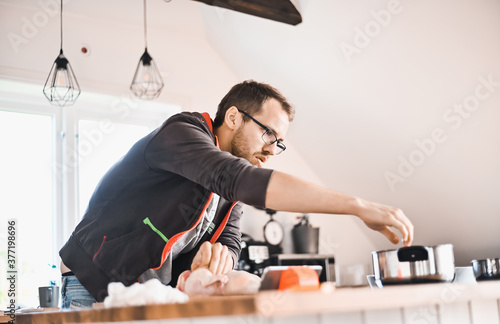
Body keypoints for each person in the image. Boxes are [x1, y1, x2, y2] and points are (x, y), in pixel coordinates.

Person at [59, 80, 414, 308]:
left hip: (146, 296)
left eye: (280, 143)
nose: (272, 150)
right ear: (232, 117)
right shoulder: (181, 134)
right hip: (90, 284)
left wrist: (221, 257)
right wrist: (357, 206)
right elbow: (237, 179)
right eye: (268, 134)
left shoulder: (233, 176)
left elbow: (230, 237)